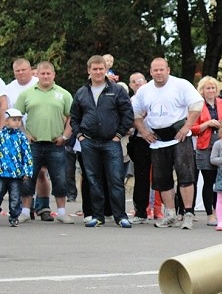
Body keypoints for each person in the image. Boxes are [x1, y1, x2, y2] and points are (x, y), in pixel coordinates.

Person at [131, 58, 203, 229]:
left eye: (161, 69)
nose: (159, 73)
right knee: (162, 180)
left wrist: (187, 127)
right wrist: (144, 132)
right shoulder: (144, 91)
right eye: (155, 70)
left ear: (168, 70)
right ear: (150, 72)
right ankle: (169, 213)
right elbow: (135, 114)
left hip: (179, 137)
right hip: (158, 140)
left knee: (185, 177)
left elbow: (197, 105)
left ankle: (187, 213)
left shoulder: (181, 85)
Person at [70, 55, 134, 228]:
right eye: (94, 69)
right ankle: (97, 216)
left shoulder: (117, 90)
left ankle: (120, 216)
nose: (98, 72)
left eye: (101, 69)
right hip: (89, 142)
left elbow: (128, 115)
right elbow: (74, 118)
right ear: (89, 70)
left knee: (115, 179)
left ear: (106, 70)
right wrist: (79, 136)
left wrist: (118, 135)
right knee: (93, 180)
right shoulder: (81, 92)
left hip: (111, 142)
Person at [15, 61, 74, 224]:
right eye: (42, 73)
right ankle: (26, 211)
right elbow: (16, 115)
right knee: (28, 178)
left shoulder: (64, 94)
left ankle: (61, 212)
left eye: (49, 73)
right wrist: (24, 134)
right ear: (37, 75)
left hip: (56, 144)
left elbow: (72, 117)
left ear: (54, 75)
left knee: (60, 178)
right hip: (32, 144)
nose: (46, 76)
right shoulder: (26, 94)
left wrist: (65, 136)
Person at [6, 58, 52, 221]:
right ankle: (26, 208)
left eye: (23, 70)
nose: (21, 73)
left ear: (29, 69)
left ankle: (43, 206)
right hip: (19, 136)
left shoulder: (38, 82)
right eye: (17, 71)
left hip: (39, 135)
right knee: (23, 174)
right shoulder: (9, 88)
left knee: (41, 173)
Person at [191, 76, 222, 226]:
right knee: (208, 182)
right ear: (202, 90)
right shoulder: (197, 105)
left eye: (213, 88)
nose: (211, 90)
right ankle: (210, 214)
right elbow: (192, 128)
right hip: (204, 145)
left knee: (219, 181)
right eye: (207, 88)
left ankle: (219, 211)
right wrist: (207, 124)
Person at [126, 72, 155, 223]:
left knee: (163, 176)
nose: (137, 83)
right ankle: (141, 212)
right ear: (130, 86)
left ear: (146, 81)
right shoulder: (131, 101)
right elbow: (126, 122)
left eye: (139, 80)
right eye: (133, 81)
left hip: (159, 139)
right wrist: (137, 119)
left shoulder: (156, 95)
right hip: (140, 140)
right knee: (141, 177)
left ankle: (171, 210)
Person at [0, 108, 33, 227]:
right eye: (14, 120)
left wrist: (27, 171)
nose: (17, 122)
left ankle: (14, 217)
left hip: (16, 174)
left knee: (15, 197)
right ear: (7, 121)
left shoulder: (22, 137)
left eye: (19, 120)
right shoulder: (1, 136)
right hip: (1, 172)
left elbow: (27, 155)